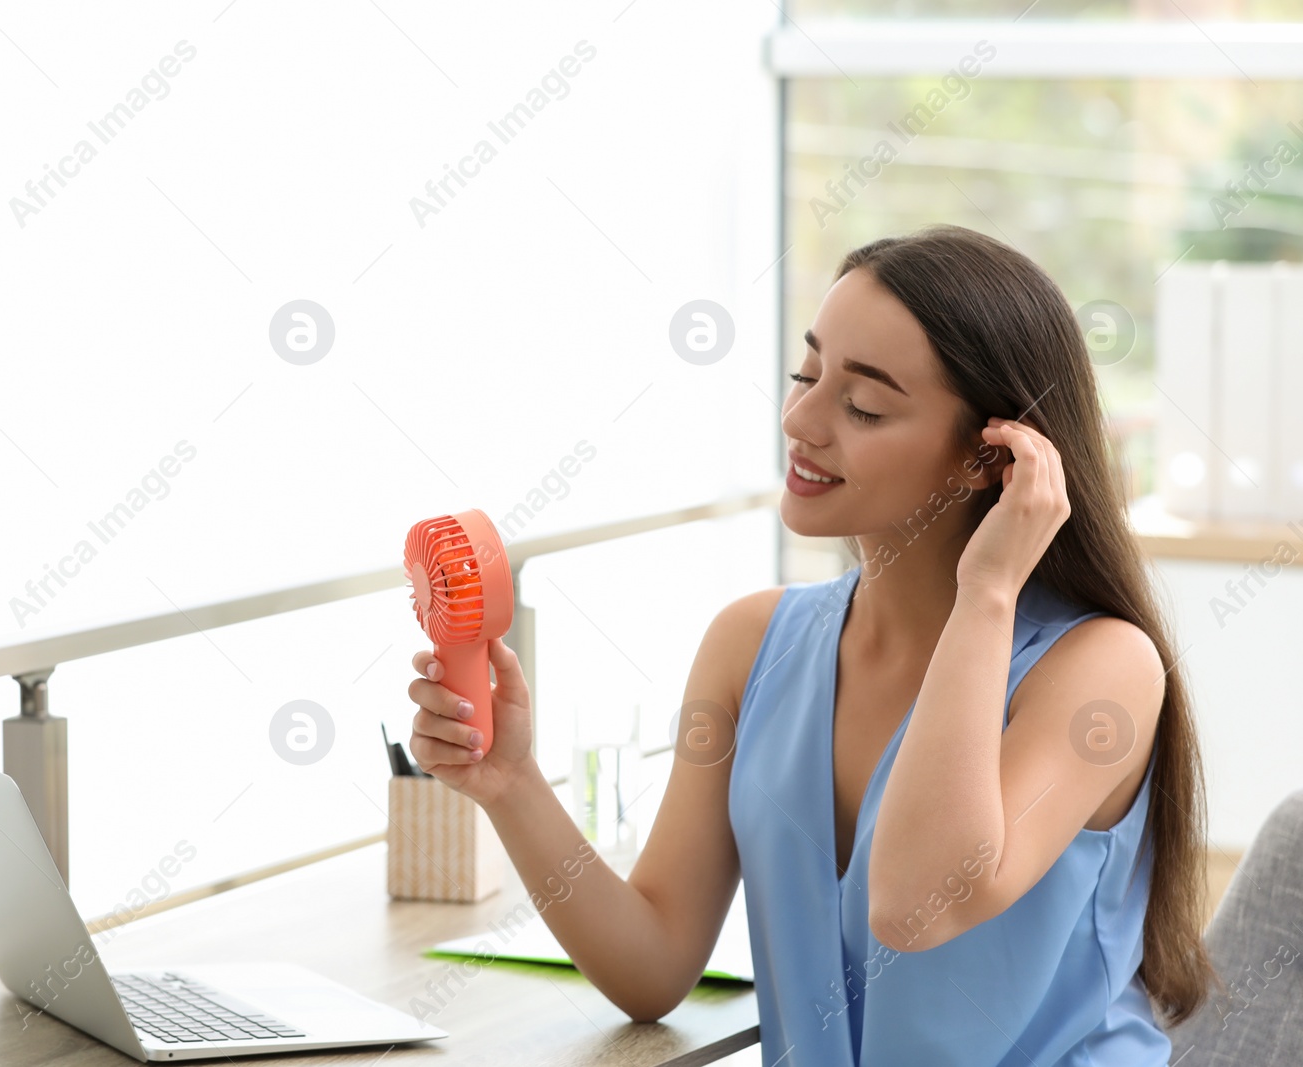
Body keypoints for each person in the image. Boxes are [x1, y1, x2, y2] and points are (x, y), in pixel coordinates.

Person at [406, 224, 1216, 1065]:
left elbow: (914, 904)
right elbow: (651, 966)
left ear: (989, 459)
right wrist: (510, 784)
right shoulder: (750, 644)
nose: (801, 418)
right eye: (806, 374)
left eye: (863, 405)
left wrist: (989, 590)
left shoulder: (1102, 669)